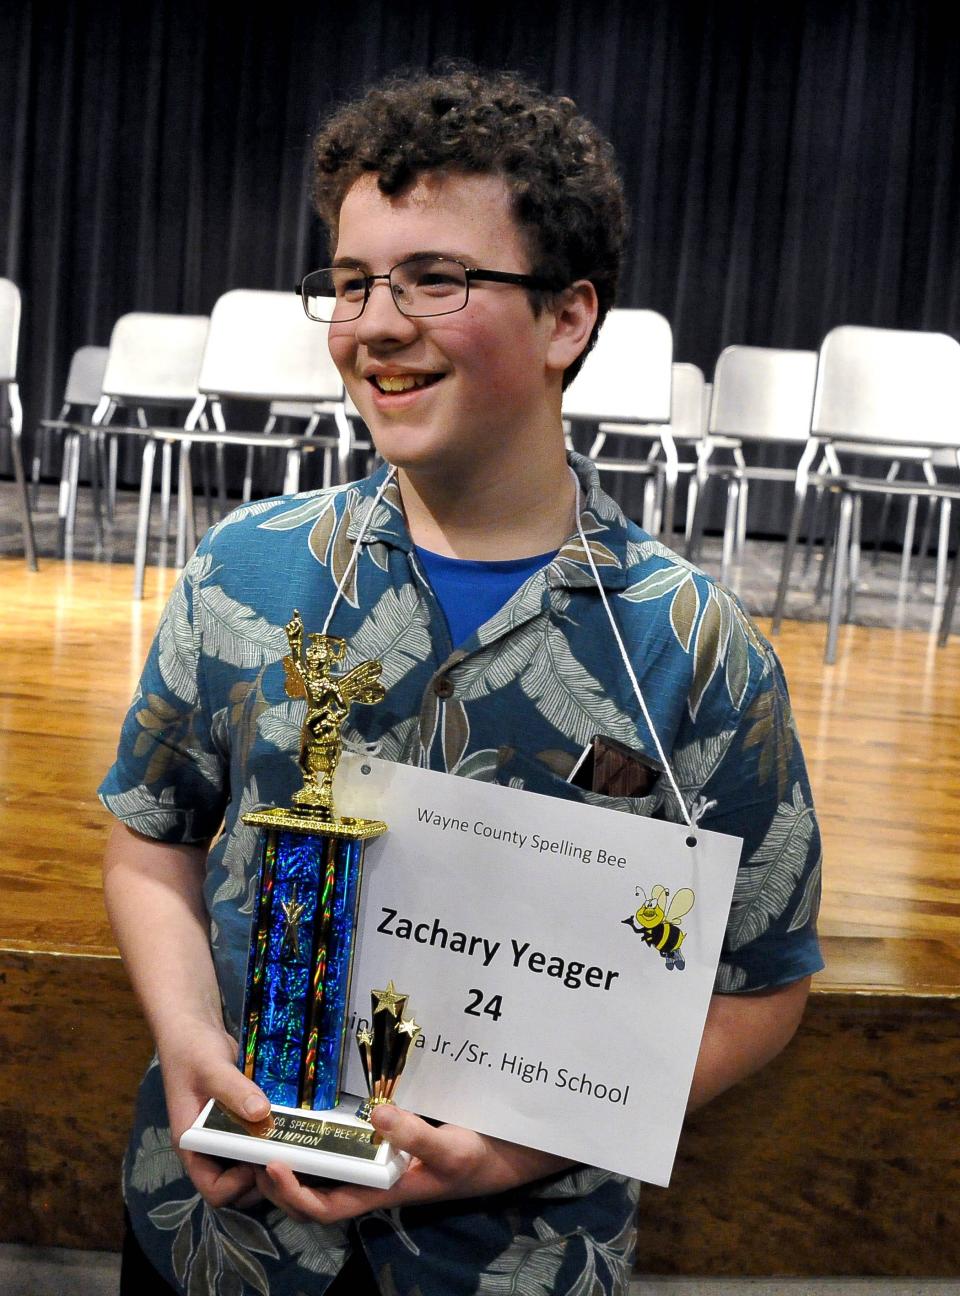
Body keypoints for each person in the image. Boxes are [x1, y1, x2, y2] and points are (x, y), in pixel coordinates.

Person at [100, 66, 823, 1296]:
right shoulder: (246, 573)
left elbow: (760, 986)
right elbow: (148, 838)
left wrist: (512, 1149)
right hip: (216, 1240)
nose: (375, 323)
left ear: (566, 320)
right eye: (350, 281)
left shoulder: (696, 650)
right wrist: (185, 1040)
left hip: (511, 1258)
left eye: (436, 278)